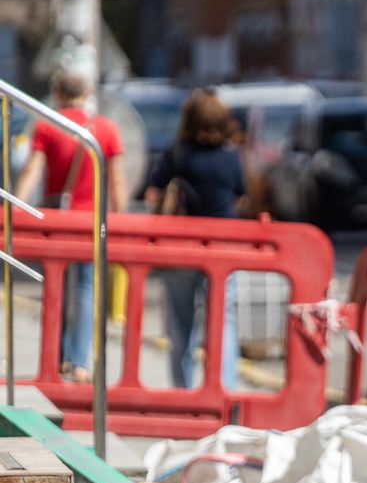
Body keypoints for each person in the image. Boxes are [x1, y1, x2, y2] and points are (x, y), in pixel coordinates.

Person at [14, 70, 127, 383]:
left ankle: (58, 357)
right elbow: (116, 180)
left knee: (57, 286)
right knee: (87, 288)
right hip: (92, 221)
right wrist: (121, 218)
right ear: (88, 95)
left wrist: (15, 209)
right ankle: (79, 361)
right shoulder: (105, 129)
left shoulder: (49, 126)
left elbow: (32, 171)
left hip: (59, 223)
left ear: (58, 95)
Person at [145, 89, 245, 390]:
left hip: (181, 248)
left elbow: (153, 193)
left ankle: (183, 391)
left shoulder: (177, 154)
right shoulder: (230, 158)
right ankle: (224, 389)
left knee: (180, 324)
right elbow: (240, 197)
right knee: (222, 321)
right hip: (223, 249)